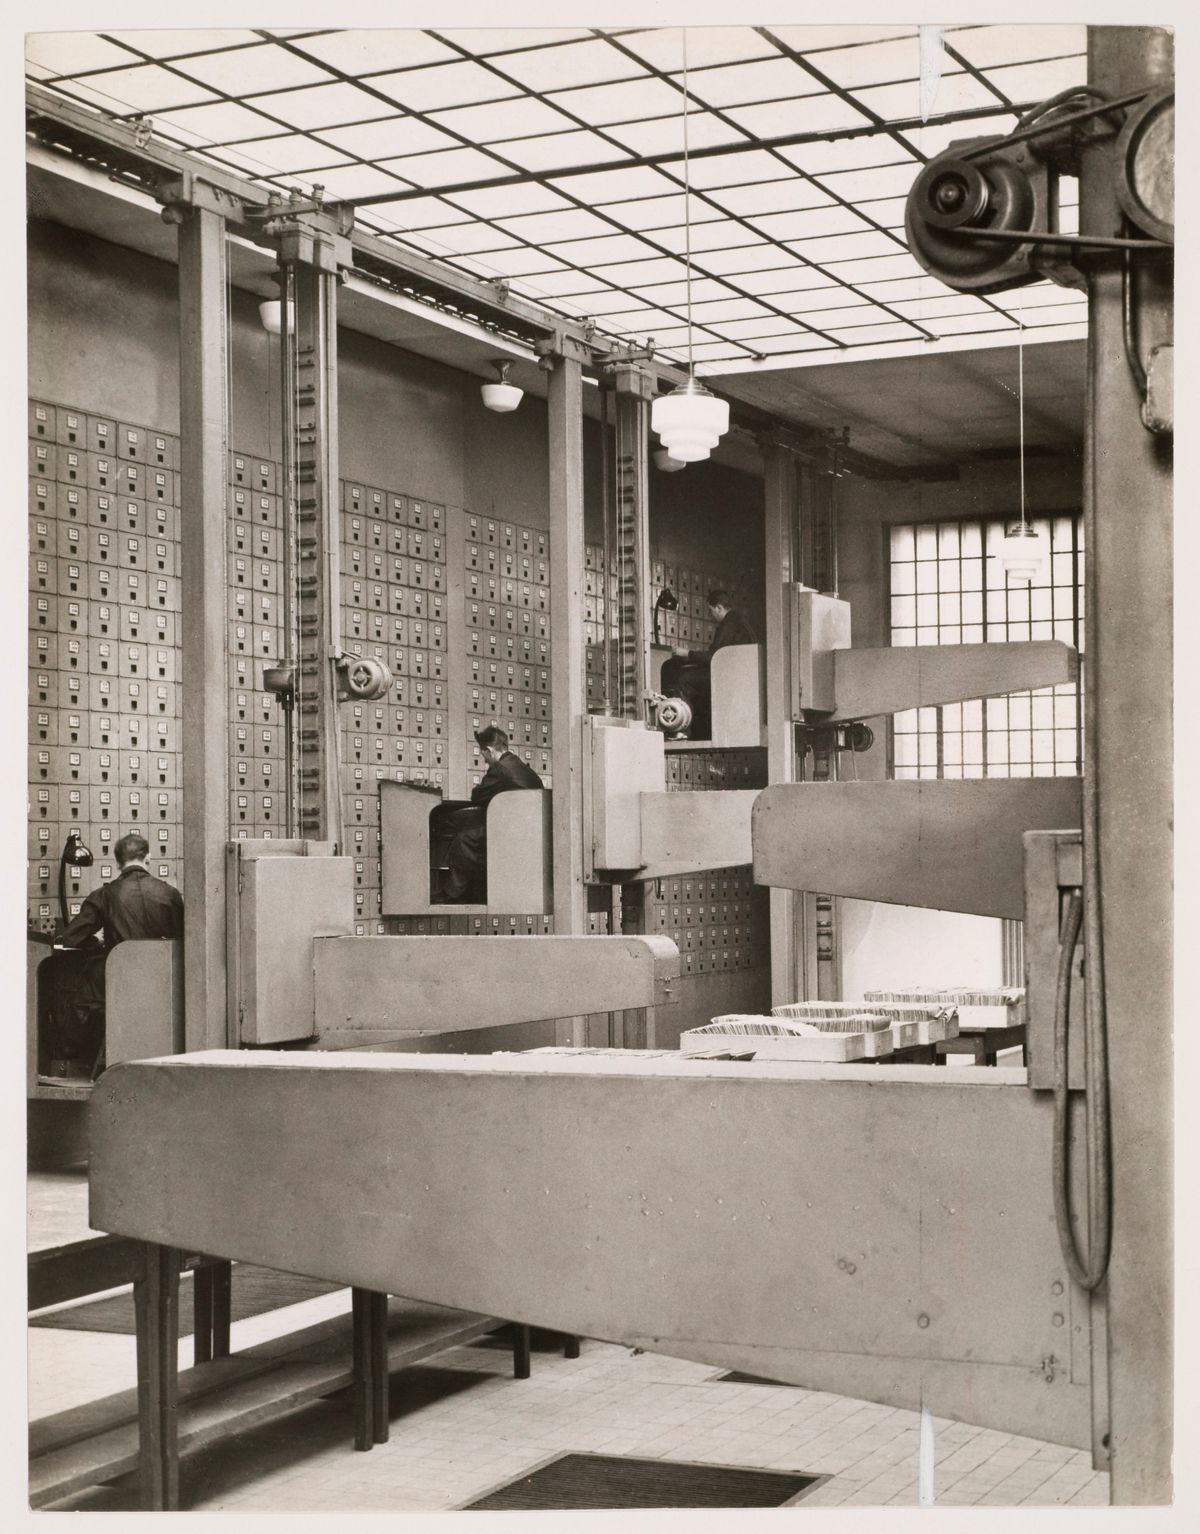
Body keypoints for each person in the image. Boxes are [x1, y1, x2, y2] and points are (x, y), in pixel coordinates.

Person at [48, 832, 184, 1080]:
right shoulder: (170, 894)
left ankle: (68, 1061)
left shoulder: (106, 895)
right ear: (149, 858)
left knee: (78, 990)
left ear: (117, 862)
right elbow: (185, 939)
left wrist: (94, 941)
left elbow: (70, 939)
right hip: (164, 986)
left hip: (121, 985)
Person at [439, 726, 543, 903]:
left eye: (483, 754)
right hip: (528, 831)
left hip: (509, 830)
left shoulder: (500, 769)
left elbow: (477, 796)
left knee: (463, 839)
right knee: (469, 829)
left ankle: (454, 893)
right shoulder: (523, 768)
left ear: (488, 750)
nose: (484, 760)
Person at [660, 589, 757, 739]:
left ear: (719, 607)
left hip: (729, 678)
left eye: (711, 610)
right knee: (696, 675)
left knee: (684, 679)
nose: (710, 615)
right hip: (740, 677)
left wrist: (687, 653)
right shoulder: (740, 621)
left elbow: (714, 657)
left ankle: (680, 729)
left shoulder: (728, 624)